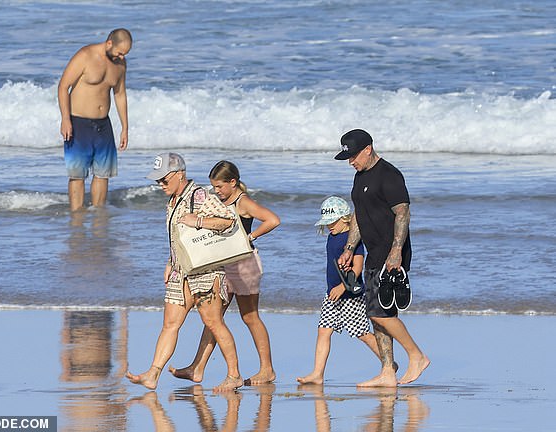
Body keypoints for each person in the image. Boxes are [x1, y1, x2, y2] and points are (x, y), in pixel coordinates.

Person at [126, 153, 243, 392]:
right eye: (158, 180)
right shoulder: (173, 199)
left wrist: (198, 220)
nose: (160, 184)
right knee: (170, 323)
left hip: (206, 270)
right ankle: (153, 374)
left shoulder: (199, 195)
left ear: (180, 174)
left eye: (164, 180)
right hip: (181, 270)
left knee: (213, 321)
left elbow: (228, 221)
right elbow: (178, 237)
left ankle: (234, 375)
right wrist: (170, 261)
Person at [169, 160, 280, 386]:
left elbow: (273, 220)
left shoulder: (243, 201)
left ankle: (267, 370)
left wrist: (250, 237)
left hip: (245, 265)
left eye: (219, 187)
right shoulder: (219, 202)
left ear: (233, 182)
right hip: (223, 265)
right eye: (213, 187)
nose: (216, 191)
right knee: (214, 319)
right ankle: (196, 368)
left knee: (250, 317)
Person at [336, 129, 430, 387]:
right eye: (347, 157)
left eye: (353, 156)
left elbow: (403, 213)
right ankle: (388, 371)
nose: (350, 161)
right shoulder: (359, 177)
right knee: (375, 313)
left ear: (368, 149)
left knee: (381, 314)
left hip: (391, 255)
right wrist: (349, 247)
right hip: (373, 252)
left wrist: (396, 252)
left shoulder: (389, 175)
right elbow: (358, 213)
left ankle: (417, 355)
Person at [297, 196, 384, 385]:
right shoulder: (332, 237)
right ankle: (317, 374)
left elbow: (357, 268)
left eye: (332, 221)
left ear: (345, 218)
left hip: (350, 295)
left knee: (361, 333)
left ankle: (388, 364)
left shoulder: (353, 240)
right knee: (323, 332)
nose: (329, 226)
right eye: (326, 222)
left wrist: (341, 287)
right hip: (331, 295)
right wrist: (334, 289)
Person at [58, 28, 132, 211]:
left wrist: (125, 128)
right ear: (109, 44)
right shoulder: (85, 55)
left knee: (103, 174)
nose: (122, 57)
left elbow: (120, 94)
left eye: (125, 54)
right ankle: (77, 215)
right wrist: (65, 119)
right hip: (78, 123)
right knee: (77, 174)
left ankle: (99, 215)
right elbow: (63, 86)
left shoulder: (120, 64)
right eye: (120, 52)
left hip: (103, 125)